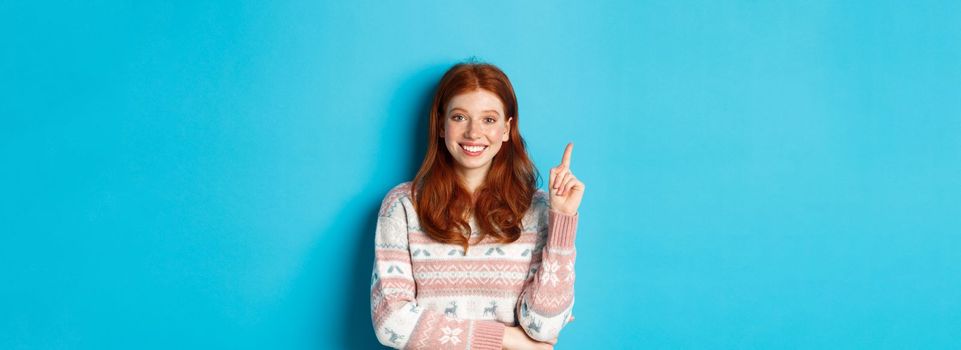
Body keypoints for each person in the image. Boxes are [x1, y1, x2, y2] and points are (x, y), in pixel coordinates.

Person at [370, 62, 585, 350]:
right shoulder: (402, 207)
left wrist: (562, 219)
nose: (473, 133)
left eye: (488, 120)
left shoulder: (538, 210)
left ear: (507, 129)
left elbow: (543, 326)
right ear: (442, 125)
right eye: (460, 117)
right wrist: (506, 339)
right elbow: (391, 323)